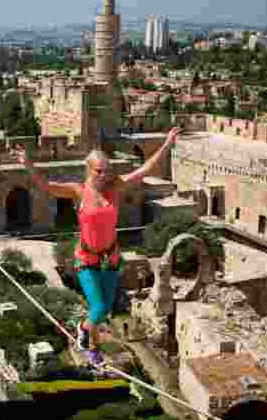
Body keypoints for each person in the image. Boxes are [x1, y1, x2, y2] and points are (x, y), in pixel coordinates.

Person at [12, 127, 181, 364]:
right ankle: (83, 329)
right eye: (99, 171)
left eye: (107, 170)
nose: (104, 175)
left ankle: (92, 349)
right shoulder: (78, 191)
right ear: (89, 170)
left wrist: (166, 144)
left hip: (111, 258)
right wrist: (28, 164)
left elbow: (146, 169)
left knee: (102, 310)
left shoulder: (115, 188)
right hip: (87, 260)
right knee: (99, 308)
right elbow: (47, 186)